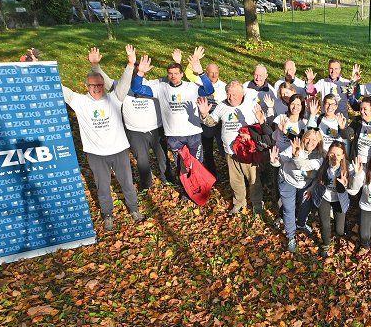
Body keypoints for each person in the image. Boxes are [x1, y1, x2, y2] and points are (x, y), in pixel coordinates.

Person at [61, 45, 143, 230]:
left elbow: (123, 83)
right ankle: (107, 215)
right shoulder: (79, 101)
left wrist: (131, 64)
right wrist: (38, 67)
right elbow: (61, 88)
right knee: (103, 187)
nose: (97, 88)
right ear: (86, 86)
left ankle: (134, 209)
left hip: (119, 150)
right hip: (96, 154)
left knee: (127, 183)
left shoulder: (114, 98)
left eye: (99, 85)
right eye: (92, 85)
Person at [130, 48, 215, 203]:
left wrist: (201, 73)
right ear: (167, 74)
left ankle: (200, 191)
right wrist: (140, 73)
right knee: (181, 166)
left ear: (182, 74)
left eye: (176, 73)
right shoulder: (160, 88)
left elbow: (209, 89)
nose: (173, 76)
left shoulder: (190, 87)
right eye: (170, 73)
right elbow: (136, 88)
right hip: (174, 136)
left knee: (196, 165)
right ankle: (185, 192)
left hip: (193, 133)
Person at [93, 56, 174, 193]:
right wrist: (95, 65)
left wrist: (176, 61)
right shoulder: (120, 86)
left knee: (163, 156)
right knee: (142, 160)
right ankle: (146, 184)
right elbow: (104, 81)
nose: (136, 74)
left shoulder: (153, 84)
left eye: (139, 71)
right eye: (133, 71)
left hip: (156, 129)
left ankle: (169, 179)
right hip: (135, 131)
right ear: (127, 71)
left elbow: (172, 77)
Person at [196, 82, 267, 215]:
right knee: (235, 181)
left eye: (234, 94)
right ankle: (239, 203)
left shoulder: (251, 105)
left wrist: (250, 135)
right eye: (228, 94)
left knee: (253, 180)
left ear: (242, 94)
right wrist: (205, 115)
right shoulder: (222, 105)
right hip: (230, 152)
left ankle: (257, 204)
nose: (230, 97)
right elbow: (212, 123)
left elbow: (261, 128)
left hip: (248, 151)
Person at [269, 131, 324, 253]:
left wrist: (311, 188)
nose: (310, 142)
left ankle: (301, 224)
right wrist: (274, 161)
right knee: (289, 209)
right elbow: (279, 161)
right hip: (287, 181)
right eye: (308, 139)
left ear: (319, 142)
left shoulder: (320, 156)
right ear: (303, 139)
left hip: (305, 185)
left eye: (314, 140)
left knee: (305, 207)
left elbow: (308, 168)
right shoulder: (293, 148)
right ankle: (290, 236)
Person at [300, 142, 356, 258]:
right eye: (332, 153)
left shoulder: (348, 166)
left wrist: (354, 178)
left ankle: (342, 228)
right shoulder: (323, 162)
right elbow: (309, 169)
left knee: (340, 231)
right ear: (328, 152)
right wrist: (296, 156)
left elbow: (355, 185)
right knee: (325, 224)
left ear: (343, 156)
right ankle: (326, 244)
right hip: (324, 196)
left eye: (338, 154)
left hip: (339, 199)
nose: (334, 157)